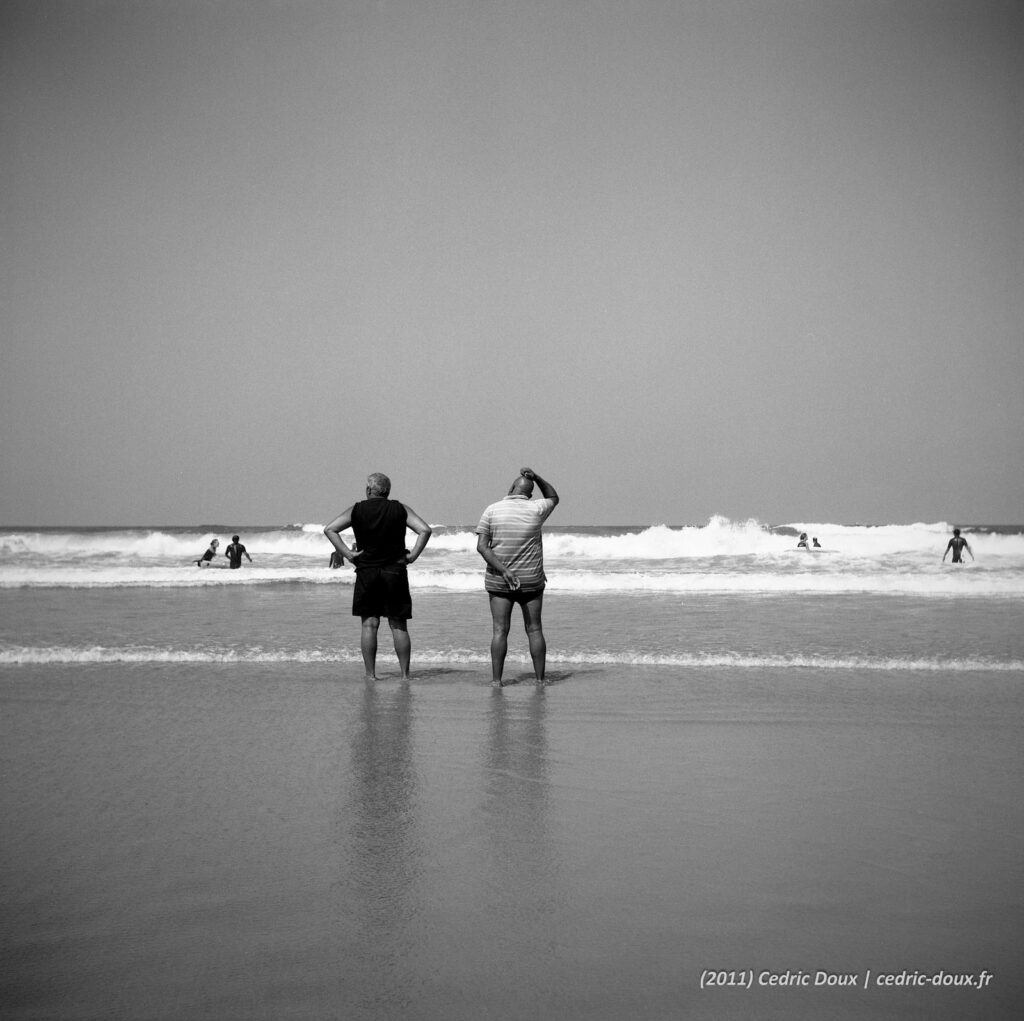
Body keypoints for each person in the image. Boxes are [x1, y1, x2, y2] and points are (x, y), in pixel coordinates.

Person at [323, 473, 432, 680]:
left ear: (368, 489)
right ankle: (405, 675)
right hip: (395, 570)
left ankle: (371, 675)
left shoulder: (357, 509)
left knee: (369, 624)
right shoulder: (399, 508)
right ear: (387, 491)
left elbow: (330, 529)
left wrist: (349, 554)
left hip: (367, 571)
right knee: (398, 623)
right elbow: (425, 530)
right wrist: (412, 556)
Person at [475, 467, 559, 685]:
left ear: (511, 488)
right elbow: (553, 496)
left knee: (500, 631)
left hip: (499, 580)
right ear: (530, 494)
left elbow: (482, 547)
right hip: (531, 580)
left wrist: (504, 571)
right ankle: (540, 680)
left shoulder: (492, 510)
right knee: (535, 629)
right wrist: (538, 477)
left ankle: (496, 681)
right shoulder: (537, 508)